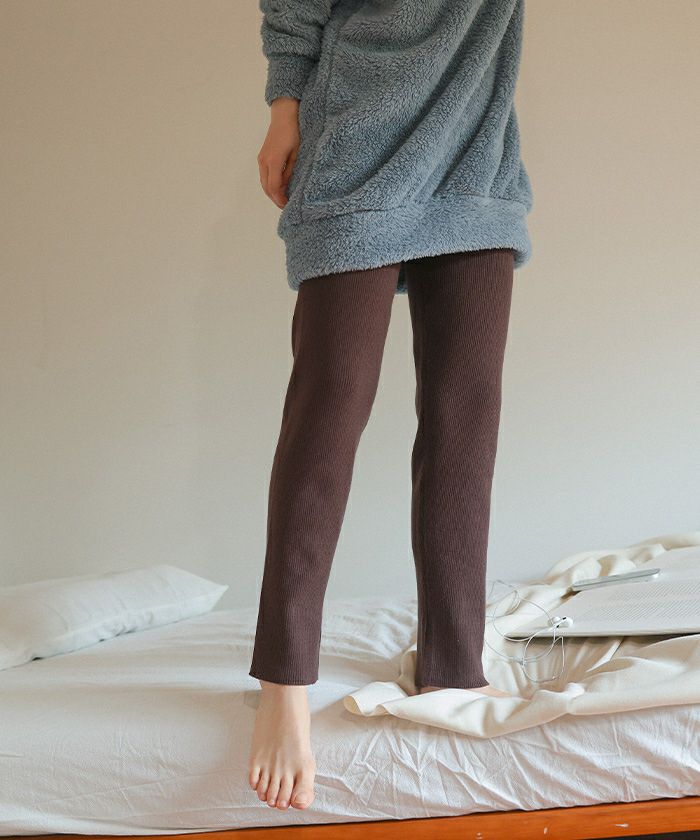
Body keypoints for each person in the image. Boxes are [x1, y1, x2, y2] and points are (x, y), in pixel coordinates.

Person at [248, 0, 533, 812]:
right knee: (328, 409)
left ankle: (453, 664)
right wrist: (283, 109)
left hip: (475, 158)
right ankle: (283, 682)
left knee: (465, 424)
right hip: (354, 149)